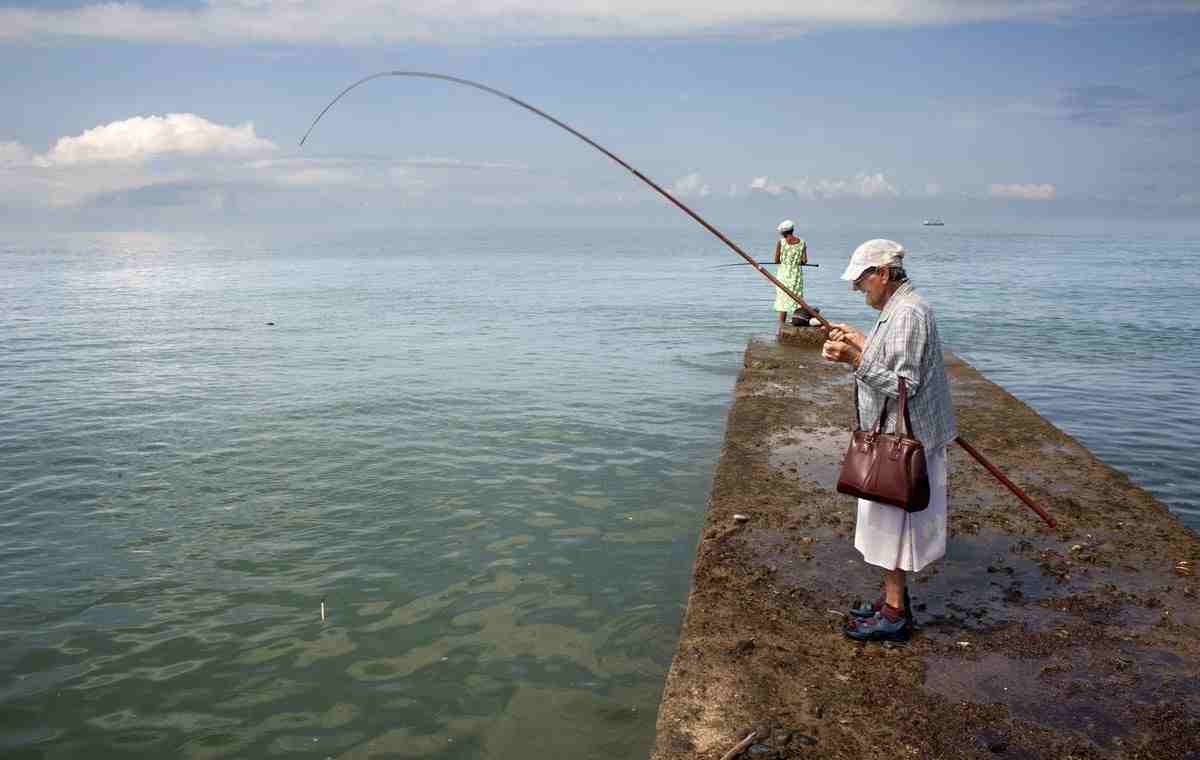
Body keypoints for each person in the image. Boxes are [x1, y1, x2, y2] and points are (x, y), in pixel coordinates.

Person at [819, 239, 957, 642]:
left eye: (861, 280)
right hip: (900, 436)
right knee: (888, 526)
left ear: (882, 273)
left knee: (890, 528)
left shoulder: (909, 314)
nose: (856, 289)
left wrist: (854, 360)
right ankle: (892, 602)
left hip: (904, 442)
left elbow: (905, 384)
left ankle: (895, 614)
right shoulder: (896, 310)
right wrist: (861, 341)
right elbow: (895, 360)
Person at [772, 220, 808, 335]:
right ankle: (796, 322)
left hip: (783, 275)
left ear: (783, 233)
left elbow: (776, 260)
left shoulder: (781, 242)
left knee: (783, 301)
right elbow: (804, 261)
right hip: (796, 275)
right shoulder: (802, 242)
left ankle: (781, 328)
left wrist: (785, 260)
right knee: (797, 299)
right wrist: (796, 261)